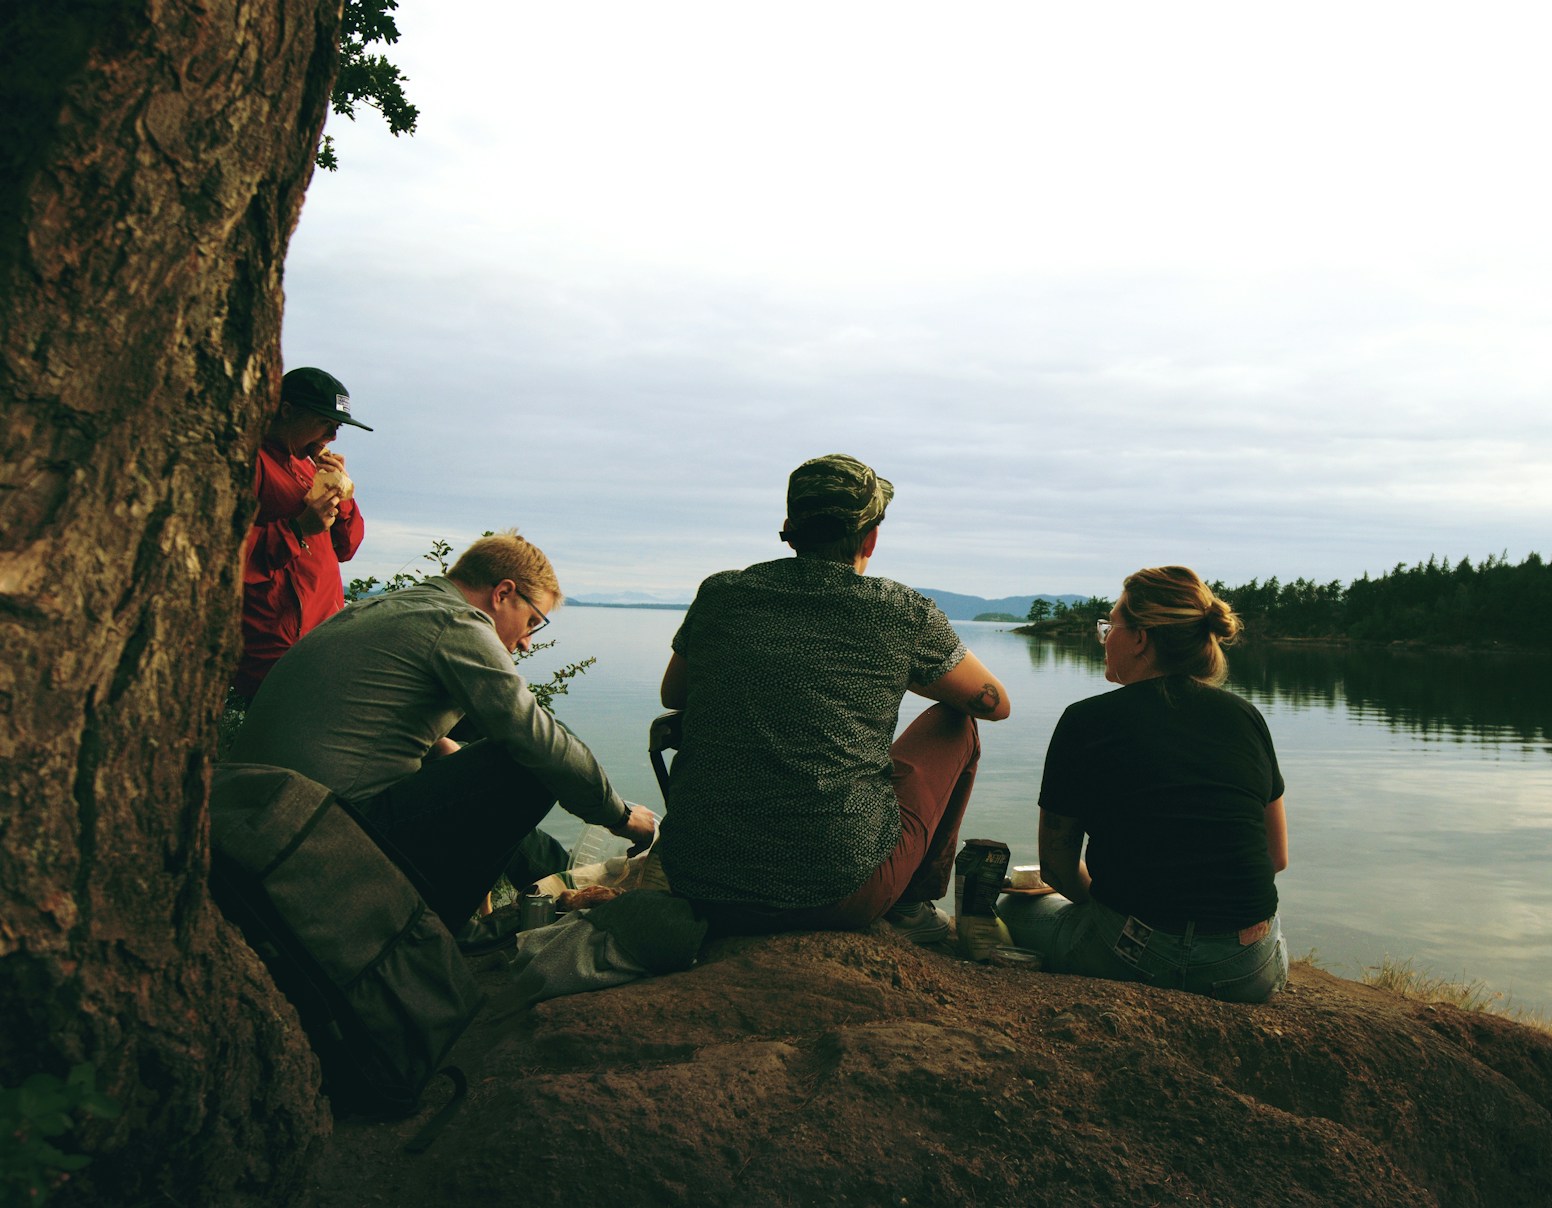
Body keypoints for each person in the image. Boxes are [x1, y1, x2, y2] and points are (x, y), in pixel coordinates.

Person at [652, 454, 1012, 941]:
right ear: (871, 538)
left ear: (789, 529)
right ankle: (909, 905)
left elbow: (673, 693)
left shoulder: (722, 594)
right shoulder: (900, 611)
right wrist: (895, 669)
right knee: (957, 725)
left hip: (700, 883)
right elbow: (994, 705)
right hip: (839, 893)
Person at [229, 530, 657, 927]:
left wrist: (439, 747)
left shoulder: (390, 609)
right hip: (325, 839)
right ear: (503, 593)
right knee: (528, 761)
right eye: (532, 622)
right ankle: (436, 932)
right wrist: (618, 816)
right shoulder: (457, 624)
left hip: (261, 822)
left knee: (493, 756)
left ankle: (558, 886)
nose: (528, 641)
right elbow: (538, 739)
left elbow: (367, 718)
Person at [999, 566, 1290, 1003]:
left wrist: (1112, 901)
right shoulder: (1246, 717)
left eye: (1110, 625)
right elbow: (1275, 856)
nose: (1105, 637)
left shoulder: (1086, 720)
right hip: (1248, 967)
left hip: (1132, 952)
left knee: (1012, 908)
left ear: (1140, 638)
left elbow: (1058, 868)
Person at [233, 366, 370, 701]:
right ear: (287, 411)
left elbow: (346, 546)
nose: (333, 436)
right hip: (276, 645)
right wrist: (298, 529)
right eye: (326, 422)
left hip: (324, 638)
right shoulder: (252, 462)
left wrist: (343, 493)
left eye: (337, 427)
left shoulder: (309, 464)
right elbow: (228, 556)